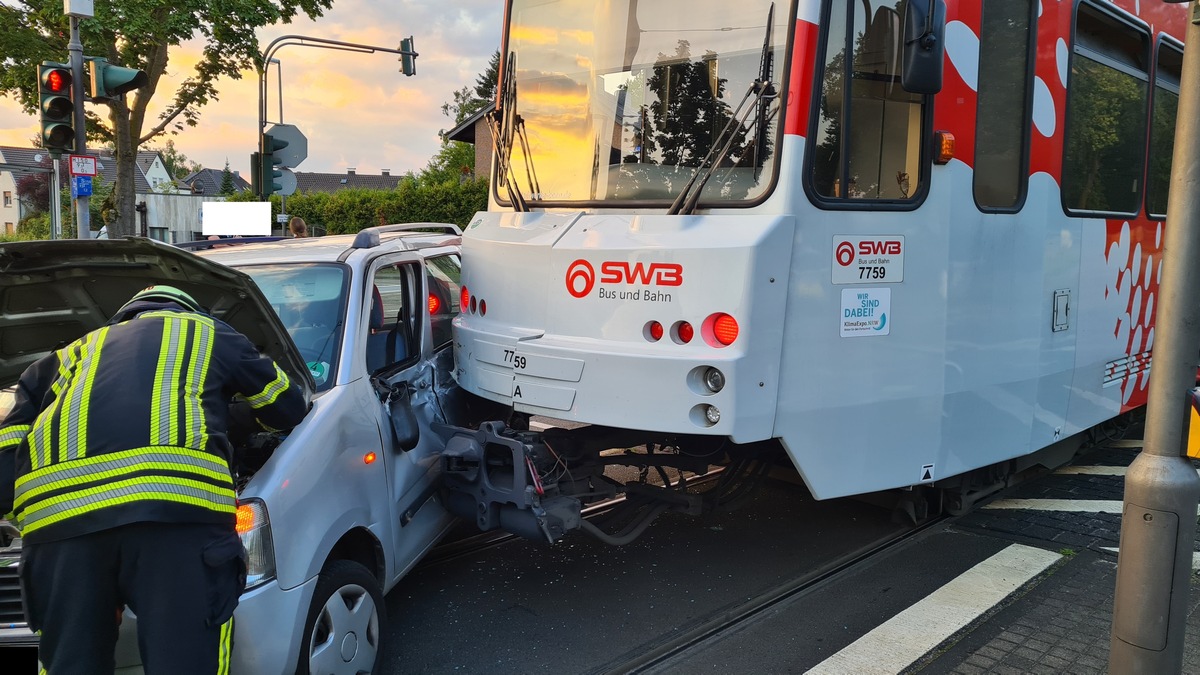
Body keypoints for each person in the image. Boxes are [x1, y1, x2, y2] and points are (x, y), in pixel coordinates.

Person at [0, 285, 307, 674]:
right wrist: (234, 420)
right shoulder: (209, 332)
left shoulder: (61, 358)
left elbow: (5, 462)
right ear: (188, 310)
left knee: (70, 665)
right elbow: (288, 406)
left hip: (59, 532)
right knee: (184, 663)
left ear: (123, 316)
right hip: (175, 523)